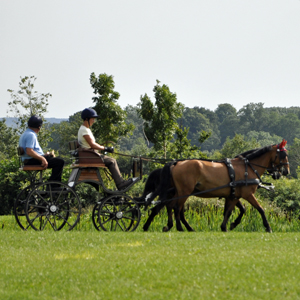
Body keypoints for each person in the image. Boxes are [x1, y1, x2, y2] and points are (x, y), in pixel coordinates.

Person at [78, 108, 135, 190]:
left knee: (111, 160)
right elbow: (92, 145)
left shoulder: (85, 129)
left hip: (91, 155)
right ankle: (120, 183)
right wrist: (106, 148)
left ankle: (120, 183)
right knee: (112, 161)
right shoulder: (84, 130)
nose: (94, 121)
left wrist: (104, 148)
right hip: (91, 157)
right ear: (87, 119)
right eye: (92, 118)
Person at [19, 115, 64, 188]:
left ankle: (52, 185)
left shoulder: (25, 134)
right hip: (32, 160)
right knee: (60, 162)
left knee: (54, 159)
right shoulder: (31, 135)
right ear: (39, 127)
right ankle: (53, 186)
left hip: (28, 160)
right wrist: (42, 158)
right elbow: (29, 151)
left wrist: (44, 155)